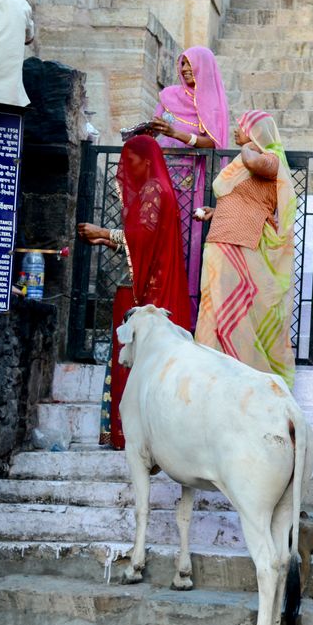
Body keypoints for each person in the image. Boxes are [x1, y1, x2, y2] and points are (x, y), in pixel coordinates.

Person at [76, 136, 193, 449]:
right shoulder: (160, 188)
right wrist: (108, 241)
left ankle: (132, 435)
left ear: (147, 161)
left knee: (135, 360)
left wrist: (104, 231)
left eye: (131, 161)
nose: (127, 167)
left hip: (147, 294)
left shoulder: (154, 188)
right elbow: (146, 244)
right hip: (155, 285)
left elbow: (143, 236)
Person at [192, 110, 296, 386]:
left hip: (241, 241)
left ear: (255, 132)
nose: (236, 131)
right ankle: (212, 374)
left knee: (236, 310)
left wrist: (251, 145)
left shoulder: (270, 158)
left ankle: (250, 379)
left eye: (242, 127)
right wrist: (217, 211)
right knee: (212, 307)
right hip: (221, 237)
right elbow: (242, 198)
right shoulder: (248, 157)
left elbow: (253, 163)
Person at [143, 47, 230, 325]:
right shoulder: (169, 95)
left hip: (191, 182)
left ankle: (184, 315)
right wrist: (150, 130)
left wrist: (178, 134)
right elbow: (157, 127)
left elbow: (213, 142)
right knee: (157, 237)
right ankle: (153, 307)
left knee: (187, 244)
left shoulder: (212, 101)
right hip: (161, 177)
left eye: (191, 65)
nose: (185, 70)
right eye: (182, 64)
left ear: (204, 68)